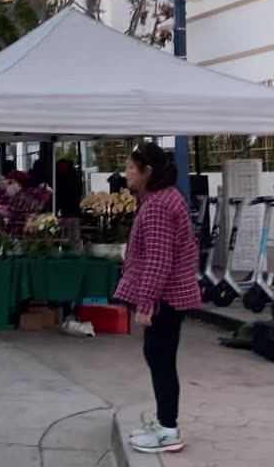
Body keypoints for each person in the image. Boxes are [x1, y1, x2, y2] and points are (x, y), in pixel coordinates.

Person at [115, 143, 201, 455]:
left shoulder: (158, 206)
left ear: (147, 172)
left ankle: (168, 430)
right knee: (160, 359)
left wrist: (145, 303)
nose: (126, 174)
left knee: (161, 359)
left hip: (166, 298)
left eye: (130, 169)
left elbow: (158, 261)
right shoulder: (160, 199)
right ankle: (165, 422)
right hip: (170, 296)